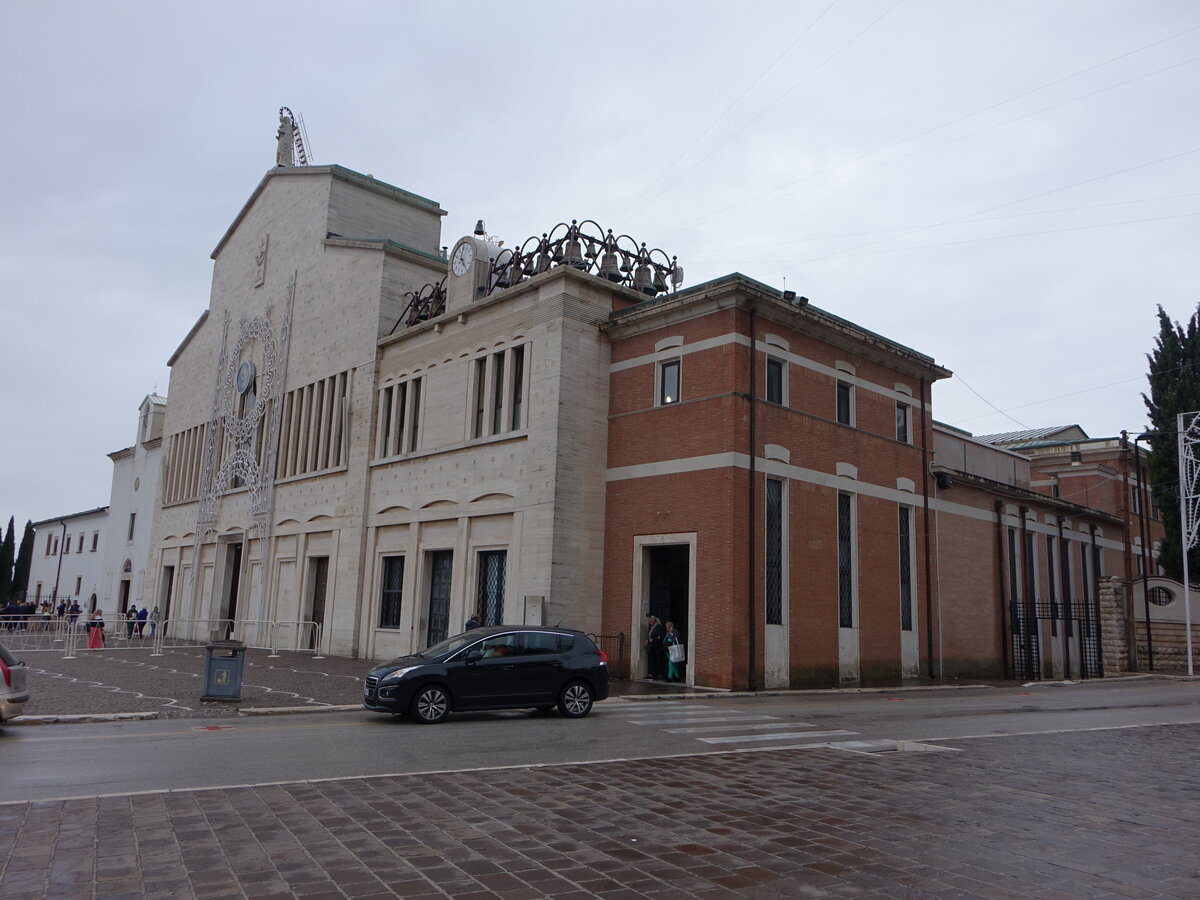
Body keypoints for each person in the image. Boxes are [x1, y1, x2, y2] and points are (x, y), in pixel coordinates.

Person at [645, 615, 665, 680]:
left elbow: (661, 637)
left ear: (655, 621)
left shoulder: (658, 627)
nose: (650, 621)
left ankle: (659, 675)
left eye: (651, 620)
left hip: (657, 647)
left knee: (658, 661)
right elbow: (651, 636)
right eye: (649, 620)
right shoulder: (652, 627)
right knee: (652, 661)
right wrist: (648, 640)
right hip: (652, 647)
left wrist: (653, 640)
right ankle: (651, 674)